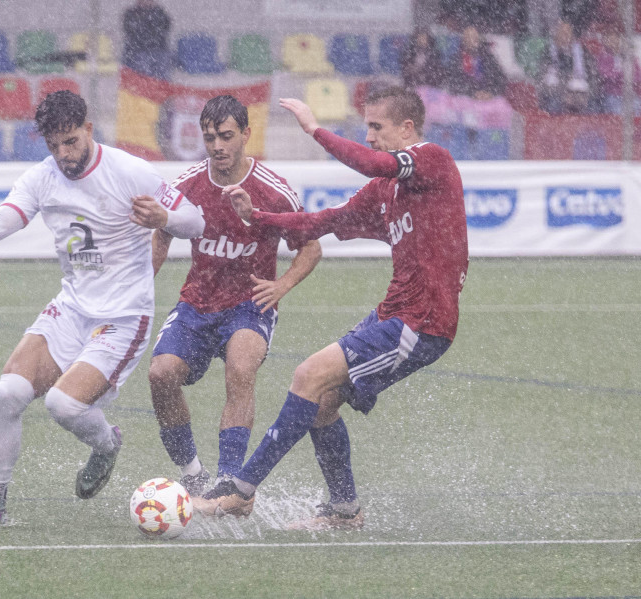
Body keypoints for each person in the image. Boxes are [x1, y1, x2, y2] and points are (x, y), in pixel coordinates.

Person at [192, 87, 468, 531]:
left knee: (308, 375)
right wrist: (258, 217)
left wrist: (314, 129)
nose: (370, 136)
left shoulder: (431, 159)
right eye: (367, 127)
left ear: (407, 129)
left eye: (377, 127)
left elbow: (371, 161)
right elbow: (321, 222)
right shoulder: (384, 192)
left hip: (423, 322)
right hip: (393, 314)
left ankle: (239, 492)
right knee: (321, 403)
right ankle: (344, 512)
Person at [0, 90, 204, 527]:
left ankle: (106, 445)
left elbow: (196, 220)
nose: (63, 154)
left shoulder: (129, 171)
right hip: (72, 308)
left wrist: (163, 219)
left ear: (89, 130)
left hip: (122, 317)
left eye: (71, 142)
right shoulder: (43, 177)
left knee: (63, 405)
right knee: (8, 393)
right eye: (53, 145)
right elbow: (5, 218)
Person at [149, 95, 322, 497]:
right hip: (197, 303)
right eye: (209, 138)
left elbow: (310, 247)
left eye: (226, 136)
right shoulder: (186, 187)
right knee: (160, 376)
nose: (217, 146)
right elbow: (161, 231)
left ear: (246, 135)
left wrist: (281, 286)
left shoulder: (273, 190)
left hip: (250, 305)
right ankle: (192, 472)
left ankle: (227, 479)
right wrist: (141, 284)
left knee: (240, 368)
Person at [538, 20, 600, 114]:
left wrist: (587, 95)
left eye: (567, 33)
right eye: (562, 33)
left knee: (594, 108)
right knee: (554, 106)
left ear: (573, 37)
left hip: (583, 94)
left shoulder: (583, 52)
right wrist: (565, 93)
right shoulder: (547, 53)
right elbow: (541, 80)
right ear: (556, 36)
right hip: (557, 94)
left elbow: (594, 76)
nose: (565, 37)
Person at [122, 0, 173, 80]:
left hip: (158, 50)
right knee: (141, 75)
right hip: (137, 51)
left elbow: (165, 28)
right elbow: (130, 31)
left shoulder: (160, 13)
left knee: (160, 76)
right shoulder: (132, 14)